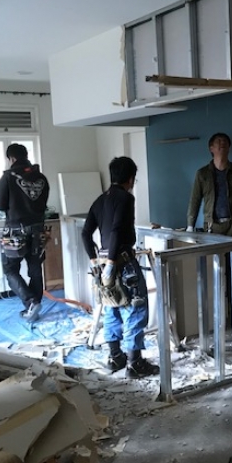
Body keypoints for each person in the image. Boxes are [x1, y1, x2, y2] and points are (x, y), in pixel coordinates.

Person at [81, 156, 159, 379]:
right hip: (122, 262)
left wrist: (95, 261)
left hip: (103, 262)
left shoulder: (100, 200)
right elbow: (116, 230)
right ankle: (135, 363)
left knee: (111, 307)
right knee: (136, 308)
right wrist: (113, 263)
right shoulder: (126, 198)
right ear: (131, 178)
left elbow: (85, 233)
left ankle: (115, 357)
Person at [0, 143, 49, 323]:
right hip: (38, 229)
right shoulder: (41, 177)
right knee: (35, 269)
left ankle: (31, 302)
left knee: (10, 269)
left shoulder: (8, 177)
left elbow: (0, 204)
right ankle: (35, 306)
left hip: (15, 230)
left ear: (11, 158)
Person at [186, 133, 232, 238]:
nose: (222, 143)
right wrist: (190, 225)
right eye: (218, 141)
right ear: (211, 148)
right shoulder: (202, 174)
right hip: (212, 226)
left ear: (229, 148)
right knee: (215, 250)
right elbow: (194, 200)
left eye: (225, 141)